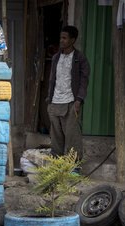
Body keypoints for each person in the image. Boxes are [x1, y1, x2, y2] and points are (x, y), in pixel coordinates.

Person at [47, 25, 90, 162]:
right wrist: (49, 102)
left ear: (73, 40)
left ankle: (74, 167)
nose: (61, 41)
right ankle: (57, 165)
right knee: (56, 138)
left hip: (71, 103)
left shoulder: (79, 58)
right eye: (61, 38)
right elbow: (52, 80)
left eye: (65, 38)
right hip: (55, 103)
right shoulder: (56, 58)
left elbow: (84, 81)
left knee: (72, 137)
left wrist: (79, 100)